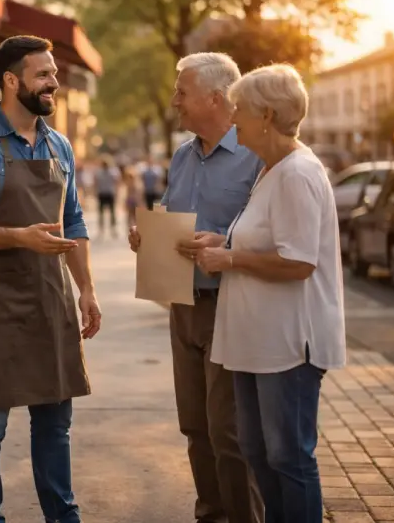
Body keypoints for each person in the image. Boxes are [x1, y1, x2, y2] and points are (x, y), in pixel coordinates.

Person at [0, 35, 102, 523]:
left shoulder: (59, 144)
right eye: (44, 75)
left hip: (51, 295)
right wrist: (17, 236)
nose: (55, 84)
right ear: (11, 81)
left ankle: (62, 515)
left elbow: (72, 222)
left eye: (54, 74)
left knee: (55, 420)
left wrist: (86, 288)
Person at [191, 64, 346, 523]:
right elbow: (264, 241)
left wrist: (231, 260)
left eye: (241, 110)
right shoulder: (270, 171)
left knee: (288, 459)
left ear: (268, 115)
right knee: (258, 454)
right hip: (255, 344)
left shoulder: (297, 173)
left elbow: (299, 262)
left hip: (288, 346)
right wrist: (221, 244)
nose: (234, 119)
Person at [128, 52, 264, 523]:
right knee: (195, 425)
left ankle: (245, 517)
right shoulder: (184, 155)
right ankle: (210, 514)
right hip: (183, 304)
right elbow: (170, 212)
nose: (174, 102)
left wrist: (223, 240)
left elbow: (270, 233)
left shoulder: (255, 156)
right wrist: (147, 235)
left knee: (229, 431)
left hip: (231, 304)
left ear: (215, 97)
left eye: (182, 93)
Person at [94, 154, 121, 237]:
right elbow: (96, 182)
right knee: (101, 212)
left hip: (109, 193)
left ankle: (113, 228)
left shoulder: (113, 172)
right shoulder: (99, 172)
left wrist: (117, 192)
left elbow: (117, 182)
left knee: (112, 212)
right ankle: (101, 229)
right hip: (102, 193)